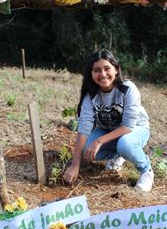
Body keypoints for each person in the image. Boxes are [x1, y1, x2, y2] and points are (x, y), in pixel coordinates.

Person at [63, 50, 154, 191]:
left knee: (126, 144)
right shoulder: (91, 96)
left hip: (136, 129)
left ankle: (146, 170)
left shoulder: (127, 89)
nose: (103, 74)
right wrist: (75, 165)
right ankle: (119, 155)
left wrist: (99, 141)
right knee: (87, 150)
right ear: (91, 74)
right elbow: (84, 129)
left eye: (107, 69)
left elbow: (128, 126)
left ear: (116, 70)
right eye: (97, 70)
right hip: (109, 129)